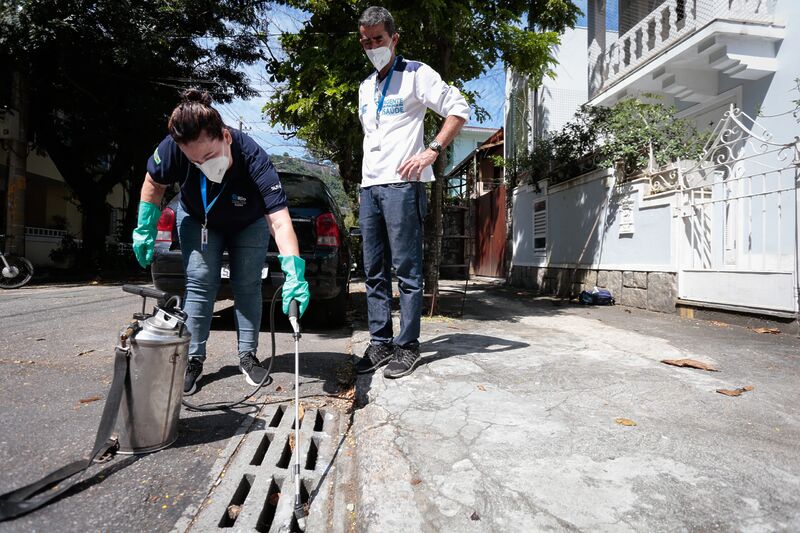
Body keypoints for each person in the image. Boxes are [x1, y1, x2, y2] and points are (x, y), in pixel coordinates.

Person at [132, 89, 310, 395]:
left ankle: (247, 355)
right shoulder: (174, 148)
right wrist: (144, 227)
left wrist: (294, 271)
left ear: (225, 136)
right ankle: (192, 359)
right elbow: (154, 182)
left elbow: (279, 221)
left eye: (210, 156)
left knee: (247, 284)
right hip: (198, 219)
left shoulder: (252, 155)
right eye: (195, 160)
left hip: (248, 221)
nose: (203, 164)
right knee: (200, 282)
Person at [353, 7, 469, 379]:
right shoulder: (365, 87)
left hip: (403, 186)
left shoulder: (416, 74)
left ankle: (408, 346)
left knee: (406, 271)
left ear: (394, 39)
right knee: (372, 270)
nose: (373, 47)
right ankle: (381, 342)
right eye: (367, 41)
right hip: (370, 187)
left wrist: (431, 149)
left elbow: (458, 108)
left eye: (379, 40)